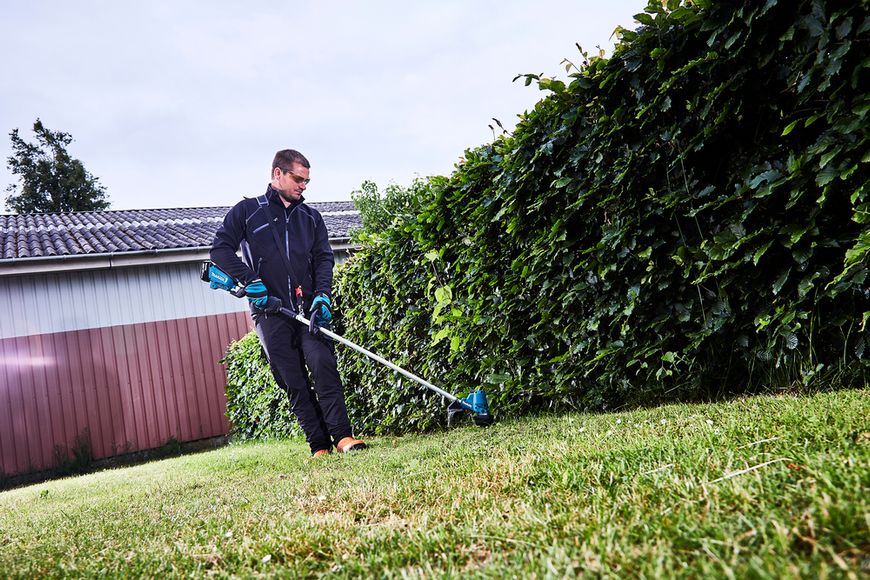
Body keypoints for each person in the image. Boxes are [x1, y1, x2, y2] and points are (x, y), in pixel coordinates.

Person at [210, 149, 366, 458]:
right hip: (269, 310)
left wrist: (323, 294)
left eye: (307, 181)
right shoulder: (247, 211)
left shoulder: (310, 217)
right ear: (277, 174)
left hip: (308, 308)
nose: (303, 186)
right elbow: (220, 250)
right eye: (298, 179)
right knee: (291, 378)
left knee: (323, 365)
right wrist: (250, 279)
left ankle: (342, 436)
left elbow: (324, 258)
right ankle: (319, 445)